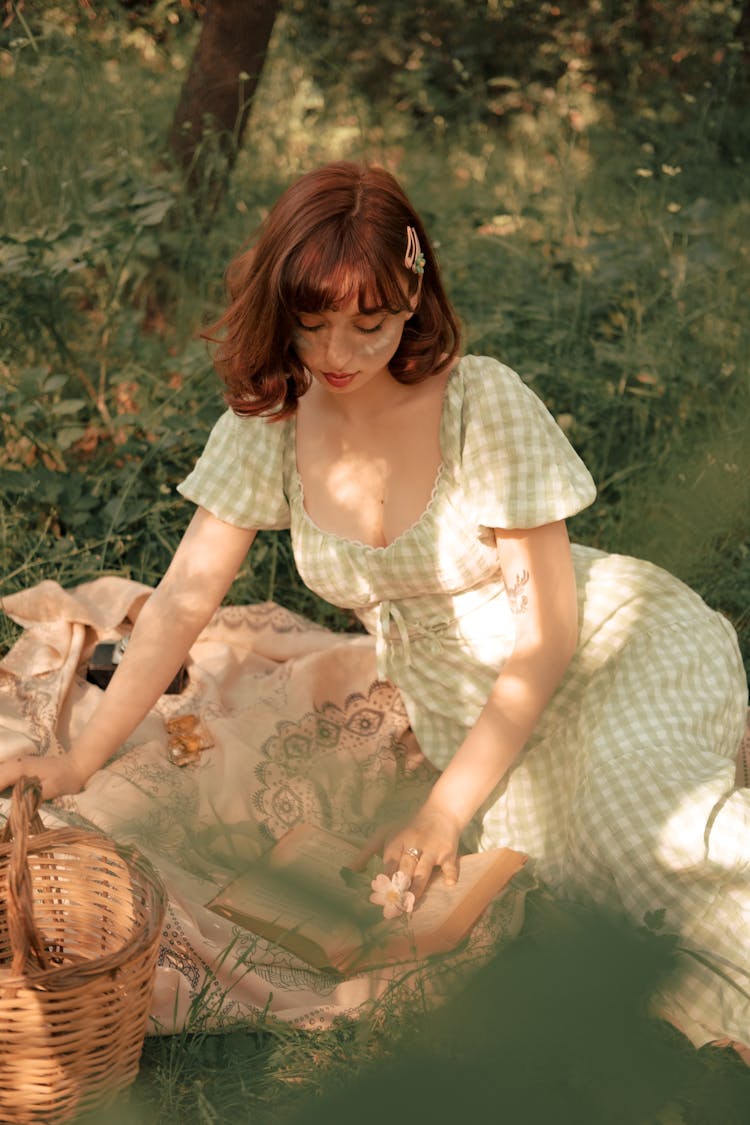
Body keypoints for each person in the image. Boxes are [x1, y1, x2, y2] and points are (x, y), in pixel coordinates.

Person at [1, 161, 748, 1050]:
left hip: (605, 644)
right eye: (311, 323)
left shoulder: (481, 401)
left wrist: (441, 809)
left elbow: (547, 640)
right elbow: (184, 599)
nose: (337, 354)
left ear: (414, 295)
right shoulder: (273, 421)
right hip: (467, 713)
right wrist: (82, 755)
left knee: (643, 837)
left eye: (370, 324)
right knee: (588, 887)